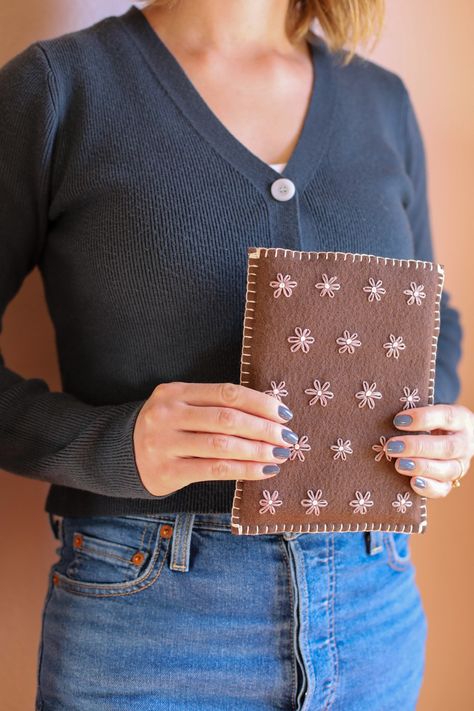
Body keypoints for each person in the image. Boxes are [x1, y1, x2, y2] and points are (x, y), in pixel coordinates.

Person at [0, 1, 472, 709]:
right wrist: (113, 444)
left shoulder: (382, 102)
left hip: (373, 610)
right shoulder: (60, 89)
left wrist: (431, 430)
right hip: (145, 623)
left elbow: (436, 321)